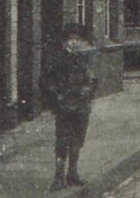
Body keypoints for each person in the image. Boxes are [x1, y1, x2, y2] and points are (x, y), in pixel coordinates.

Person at [46, 23, 97, 191]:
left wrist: (86, 90)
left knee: (77, 140)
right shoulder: (58, 59)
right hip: (64, 106)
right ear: (64, 42)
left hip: (81, 106)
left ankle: (72, 174)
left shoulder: (84, 58)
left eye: (77, 39)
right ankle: (59, 177)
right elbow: (48, 81)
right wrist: (57, 96)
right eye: (70, 40)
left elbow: (92, 79)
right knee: (62, 141)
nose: (74, 43)